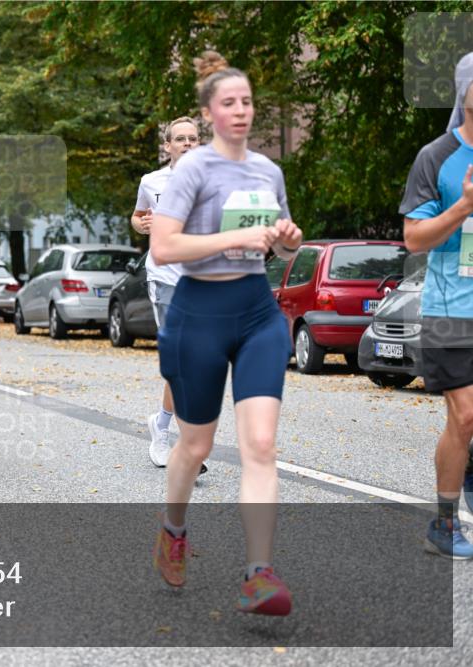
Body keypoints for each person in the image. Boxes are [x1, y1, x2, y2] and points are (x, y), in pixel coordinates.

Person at [149, 51, 303, 615]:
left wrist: (286, 239)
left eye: (247, 102)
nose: (240, 111)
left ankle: (259, 573)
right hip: (200, 315)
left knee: (261, 444)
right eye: (229, 103)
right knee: (196, 445)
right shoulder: (193, 170)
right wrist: (232, 239)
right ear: (210, 113)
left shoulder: (267, 171)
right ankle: (173, 528)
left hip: (256, 311)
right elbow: (164, 246)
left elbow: (277, 244)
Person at [400, 52, 473, 560]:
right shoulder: (437, 157)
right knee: (465, 417)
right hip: (451, 310)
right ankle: (444, 524)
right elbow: (414, 238)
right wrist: (464, 206)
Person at [132, 117, 207, 475]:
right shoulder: (152, 181)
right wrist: (142, 224)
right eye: (181, 139)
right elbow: (137, 216)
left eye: (193, 138)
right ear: (168, 146)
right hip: (164, 278)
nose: (188, 143)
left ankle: (161, 424)